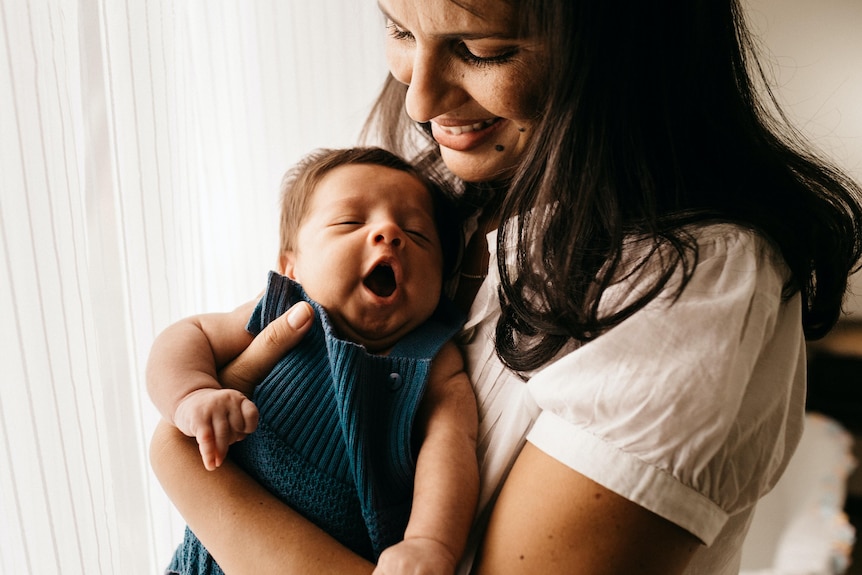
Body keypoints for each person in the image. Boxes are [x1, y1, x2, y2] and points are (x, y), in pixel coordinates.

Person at [148, 0, 862, 573]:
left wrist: (188, 467)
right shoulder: (448, 196)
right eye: (398, 28)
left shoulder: (688, 289)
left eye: (482, 50)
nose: (420, 97)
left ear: (623, 50)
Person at [147, 147, 479, 575]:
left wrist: (429, 542)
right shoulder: (282, 312)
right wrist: (192, 394)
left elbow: (450, 446)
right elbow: (186, 335)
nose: (390, 233)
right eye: (350, 222)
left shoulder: (434, 359)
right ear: (291, 267)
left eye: (417, 234)